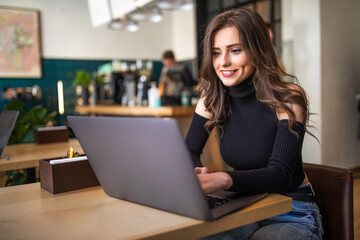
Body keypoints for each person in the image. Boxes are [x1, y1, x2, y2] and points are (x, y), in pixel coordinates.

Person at [185, 8, 323, 240]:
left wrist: (223, 179)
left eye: (235, 50)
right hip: (243, 205)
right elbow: (188, 151)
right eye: (216, 53)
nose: (223, 62)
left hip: (291, 209)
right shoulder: (212, 97)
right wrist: (196, 172)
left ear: (258, 50)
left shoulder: (288, 98)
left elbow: (282, 174)